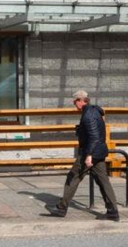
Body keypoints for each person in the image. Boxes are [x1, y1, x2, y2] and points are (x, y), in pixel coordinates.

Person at [46, 90, 120, 221]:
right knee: (103, 181)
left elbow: (94, 137)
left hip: (90, 152)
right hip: (99, 151)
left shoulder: (88, 115)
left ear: (81, 100)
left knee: (73, 177)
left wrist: (88, 155)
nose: (74, 104)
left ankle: (61, 208)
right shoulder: (95, 111)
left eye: (75, 102)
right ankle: (112, 211)